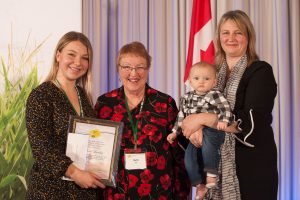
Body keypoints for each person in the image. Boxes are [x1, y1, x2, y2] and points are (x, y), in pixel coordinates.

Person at [181, 10, 278, 200]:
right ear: (219, 37)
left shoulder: (260, 71)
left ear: (248, 36)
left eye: (238, 32)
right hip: (212, 169)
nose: (231, 38)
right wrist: (194, 128)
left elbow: (253, 122)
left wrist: (204, 119)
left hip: (251, 172)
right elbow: (190, 111)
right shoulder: (210, 72)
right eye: (225, 33)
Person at [94, 41, 190, 199]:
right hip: (116, 192)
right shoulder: (105, 103)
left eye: (140, 67)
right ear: (118, 69)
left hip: (159, 191)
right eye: (126, 67)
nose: (134, 73)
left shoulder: (164, 103)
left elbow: (178, 153)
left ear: (148, 69)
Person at [25, 31, 105, 200]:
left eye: (85, 58)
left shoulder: (83, 95)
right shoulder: (41, 95)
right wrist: (74, 173)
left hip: (83, 191)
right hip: (50, 191)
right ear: (58, 55)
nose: (78, 62)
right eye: (71, 55)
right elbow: (42, 148)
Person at [167, 61, 233, 199]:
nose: (201, 82)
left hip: (213, 131)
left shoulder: (215, 95)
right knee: (188, 158)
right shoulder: (186, 98)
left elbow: (225, 108)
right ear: (190, 81)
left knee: (209, 148)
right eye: (196, 78)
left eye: (206, 79)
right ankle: (199, 185)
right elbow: (181, 116)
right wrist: (175, 132)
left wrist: (223, 120)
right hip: (193, 135)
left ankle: (211, 174)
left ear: (214, 82)